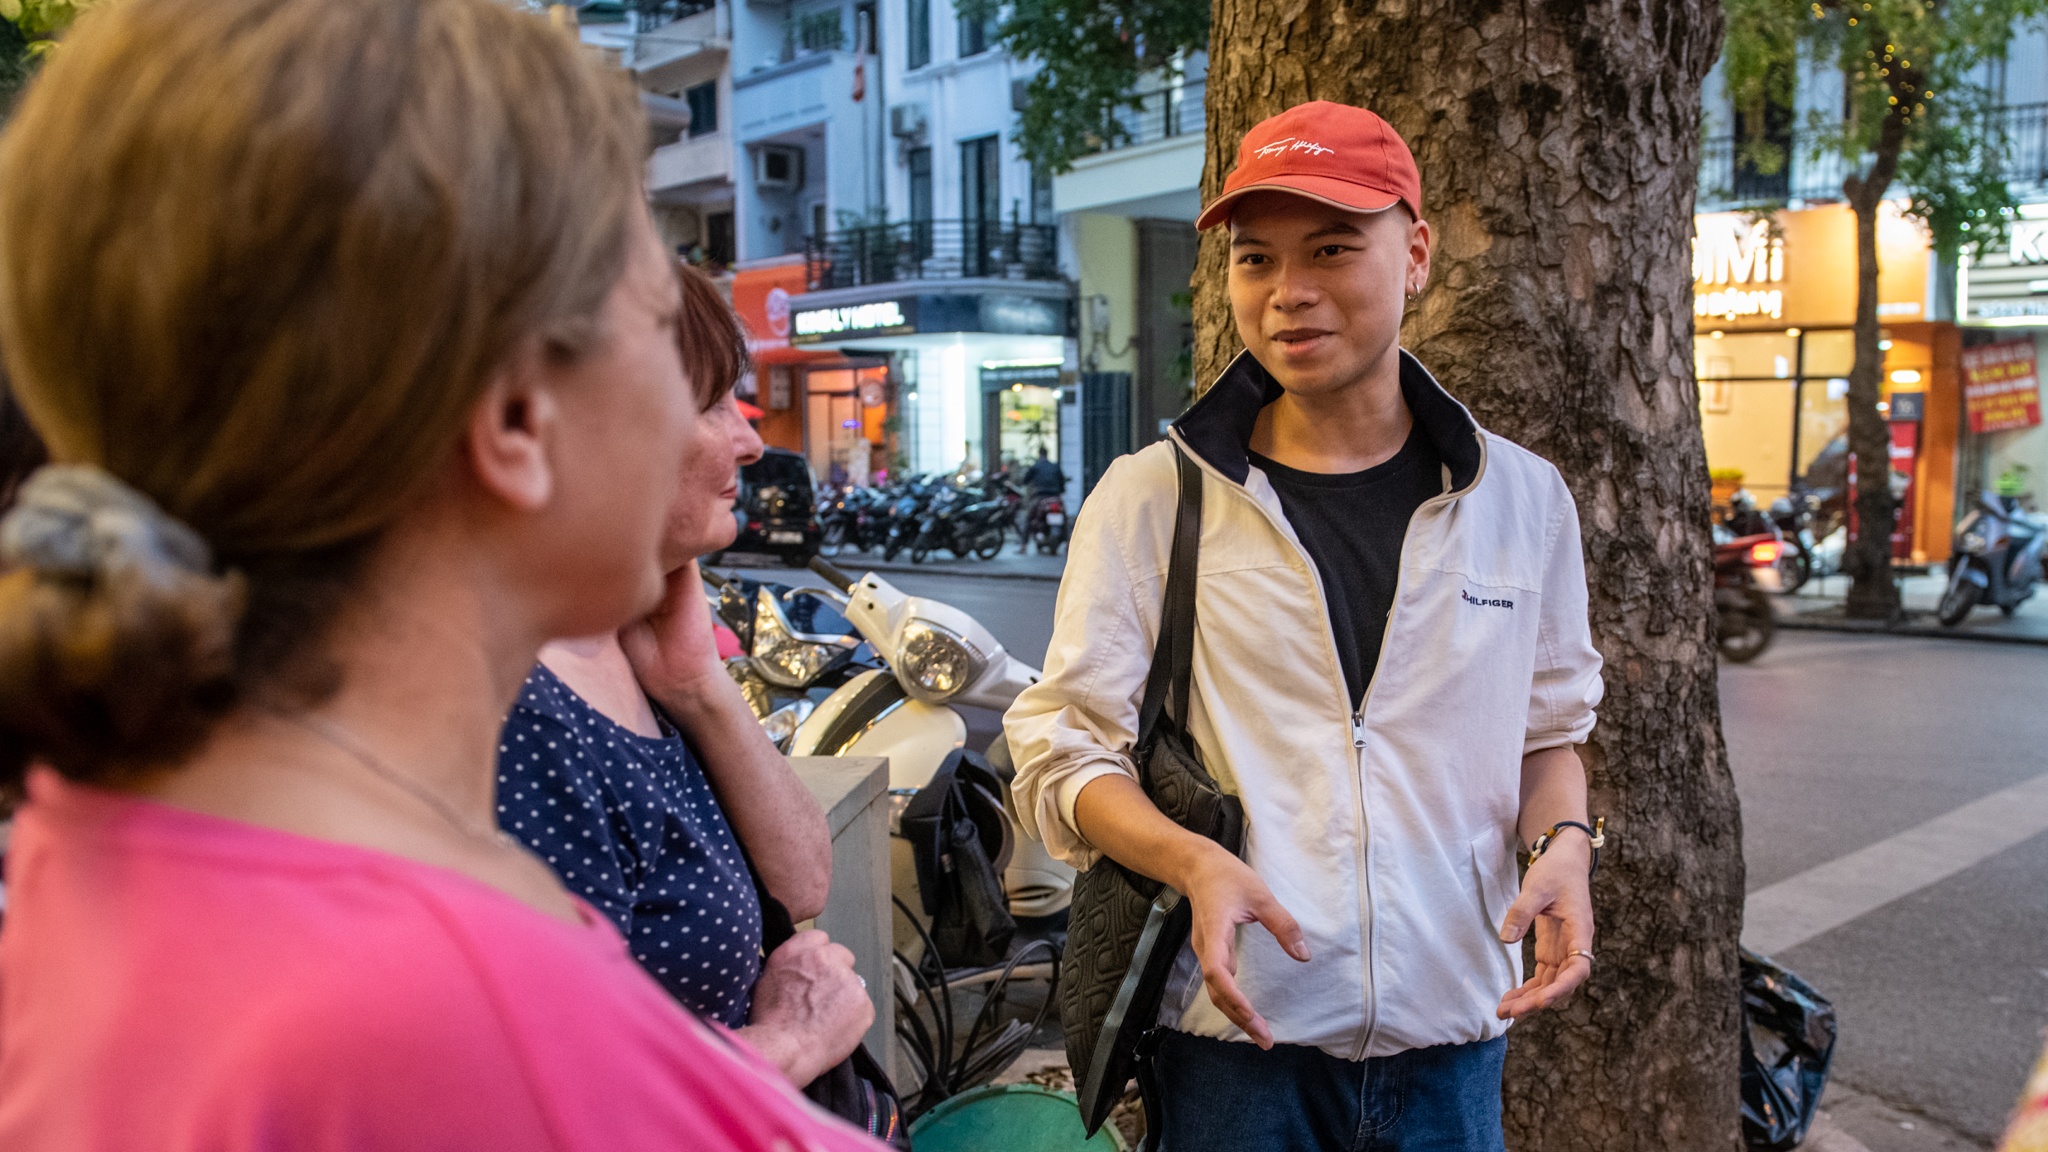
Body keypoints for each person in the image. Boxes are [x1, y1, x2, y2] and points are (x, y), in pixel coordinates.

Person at [0, 1, 884, 1149]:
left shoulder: (106, 838)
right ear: (517, 418)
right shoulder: (455, 1020)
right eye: (662, 332)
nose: (714, 425)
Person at [1005, 101, 1606, 1152]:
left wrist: (1563, 849)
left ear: (1413, 253)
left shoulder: (1521, 498)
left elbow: (1545, 732)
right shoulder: (1156, 499)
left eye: (1332, 248)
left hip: (1452, 1043)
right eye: (1254, 259)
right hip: (1236, 1048)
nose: (1288, 291)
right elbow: (1061, 752)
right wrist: (1190, 862)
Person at [497, 262, 872, 1086]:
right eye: (710, 404)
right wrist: (793, 1043)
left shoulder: (637, 648)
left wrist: (699, 688)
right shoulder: (525, 714)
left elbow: (802, 879)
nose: (751, 439)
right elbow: (561, 1098)